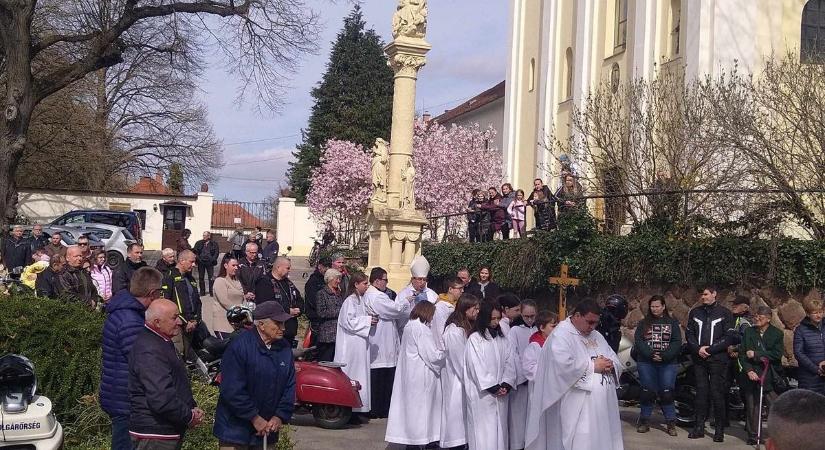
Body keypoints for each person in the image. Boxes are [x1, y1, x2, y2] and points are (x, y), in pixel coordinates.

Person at [525, 300, 623, 450]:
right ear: (577, 315)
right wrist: (593, 366)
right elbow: (561, 366)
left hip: (603, 405)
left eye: (596, 323)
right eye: (589, 322)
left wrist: (610, 364)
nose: (593, 327)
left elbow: (612, 356)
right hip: (577, 405)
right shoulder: (561, 335)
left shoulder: (596, 335)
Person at [213, 301, 296, 449]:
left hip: (267, 430)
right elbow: (232, 390)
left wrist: (279, 416)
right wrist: (254, 418)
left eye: (283, 323)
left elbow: (289, 386)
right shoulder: (239, 346)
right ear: (261, 325)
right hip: (235, 431)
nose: (283, 328)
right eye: (278, 323)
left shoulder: (284, 348)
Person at [100, 267, 164, 450]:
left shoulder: (126, 311)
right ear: (152, 293)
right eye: (160, 292)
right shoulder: (130, 321)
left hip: (119, 393)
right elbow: (143, 362)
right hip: (125, 399)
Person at [128, 299, 203, 448]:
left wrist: (191, 407)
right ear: (157, 322)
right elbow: (161, 398)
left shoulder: (160, 341)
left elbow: (176, 382)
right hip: (155, 434)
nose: (180, 322)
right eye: (174, 318)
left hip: (165, 430)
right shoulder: (149, 349)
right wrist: (189, 416)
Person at [385, 301, 445, 447]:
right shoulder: (421, 329)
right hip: (421, 376)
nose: (432, 318)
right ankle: (423, 441)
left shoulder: (410, 325)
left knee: (412, 411)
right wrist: (445, 355)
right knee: (423, 411)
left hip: (410, 375)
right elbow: (431, 355)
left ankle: (412, 440)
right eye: (432, 314)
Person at [463, 301, 517, 450]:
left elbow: (510, 361)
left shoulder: (502, 338)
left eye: (498, 318)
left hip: (501, 394)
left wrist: (506, 384)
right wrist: (492, 387)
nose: (495, 322)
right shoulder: (475, 339)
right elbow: (476, 366)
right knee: (485, 434)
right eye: (492, 318)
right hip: (484, 396)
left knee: (500, 433)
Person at [686, 285, 733, 441]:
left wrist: (711, 349)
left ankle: (719, 430)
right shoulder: (695, 312)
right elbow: (689, 334)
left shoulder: (725, 313)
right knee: (701, 393)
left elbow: (729, 337)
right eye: (701, 294)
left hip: (718, 359)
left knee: (717, 393)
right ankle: (698, 427)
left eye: (706, 294)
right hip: (699, 359)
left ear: (714, 294)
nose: (703, 297)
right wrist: (698, 348)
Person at [633, 295, 682, 436]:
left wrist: (664, 355)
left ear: (663, 306)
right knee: (647, 391)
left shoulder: (672, 323)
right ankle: (644, 420)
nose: (654, 309)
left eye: (657, 306)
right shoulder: (643, 323)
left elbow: (676, 341)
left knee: (666, 392)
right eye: (652, 306)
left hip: (668, 363)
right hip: (646, 362)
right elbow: (639, 340)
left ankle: (671, 423)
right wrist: (650, 354)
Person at [364, 267, 410, 419]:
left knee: (383, 375)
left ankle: (381, 408)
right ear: (377, 281)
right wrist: (406, 301)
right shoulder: (376, 296)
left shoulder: (374, 294)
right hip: (381, 340)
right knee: (381, 377)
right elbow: (394, 310)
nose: (387, 283)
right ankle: (379, 409)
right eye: (385, 279)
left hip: (384, 338)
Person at [439, 294, 480, 449]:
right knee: (456, 415)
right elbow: (460, 362)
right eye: (474, 308)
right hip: (458, 380)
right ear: (465, 309)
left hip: (464, 380)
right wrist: (473, 382)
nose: (477, 311)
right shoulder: (454, 331)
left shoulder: (465, 327)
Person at [738, 305, 783, 445]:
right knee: (753, 406)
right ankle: (753, 435)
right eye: (755, 316)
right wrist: (749, 370)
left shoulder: (777, 333)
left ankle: (778, 434)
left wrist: (757, 354)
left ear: (768, 319)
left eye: (760, 317)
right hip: (752, 374)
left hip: (769, 374)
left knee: (775, 406)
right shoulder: (749, 332)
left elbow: (776, 354)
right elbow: (742, 353)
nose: (756, 318)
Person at [334, 273, 375, 419]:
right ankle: (348, 410)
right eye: (364, 283)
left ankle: (359, 408)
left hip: (360, 346)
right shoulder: (349, 301)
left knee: (361, 374)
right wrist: (367, 321)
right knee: (351, 374)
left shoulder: (361, 300)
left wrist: (370, 318)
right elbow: (348, 321)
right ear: (356, 284)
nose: (367, 285)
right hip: (350, 346)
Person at [161, 250, 206, 359]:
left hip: (192, 324)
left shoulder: (191, 278)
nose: (194, 265)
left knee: (189, 354)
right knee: (178, 353)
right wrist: (184, 321)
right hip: (177, 324)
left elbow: (197, 302)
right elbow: (166, 302)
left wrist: (196, 320)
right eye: (192, 262)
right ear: (182, 261)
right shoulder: (169, 276)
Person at [507, 299, 538, 450]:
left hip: (535, 380)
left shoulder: (539, 330)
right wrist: (522, 376)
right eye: (527, 316)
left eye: (533, 316)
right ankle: (517, 445)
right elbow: (513, 355)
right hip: (520, 380)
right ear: (521, 314)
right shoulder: (515, 331)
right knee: (518, 417)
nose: (530, 319)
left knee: (533, 415)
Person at [253, 256, 302, 347]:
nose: (289, 270)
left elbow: (299, 299)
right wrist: (287, 310)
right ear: (278, 267)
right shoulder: (265, 282)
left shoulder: (288, 283)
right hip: (273, 331)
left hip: (290, 329)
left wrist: (298, 309)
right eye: (288, 268)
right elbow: (267, 305)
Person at [212, 256, 253, 335]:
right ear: (225, 265)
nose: (236, 268)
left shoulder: (237, 280)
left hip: (238, 323)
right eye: (233, 265)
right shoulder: (220, 281)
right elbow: (224, 301)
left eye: (237, 265)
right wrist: (242, 313)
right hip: (223, 324)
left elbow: (242, 297)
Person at [793, 299, 825, 395]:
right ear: (808, 314)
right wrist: (816, 369)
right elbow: (798, 353)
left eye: (821, 312)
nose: (819, 315)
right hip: (809, 378)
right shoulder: (801, 330)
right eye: (815, 313)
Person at [315, 268, 344, 362]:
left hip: (338, 333)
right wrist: (339, 311)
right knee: (326, 360)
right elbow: (321, 313)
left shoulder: (339, 293)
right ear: (330, 279)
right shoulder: (321, 294)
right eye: (337, 279)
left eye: (339, 279)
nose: (338, 281)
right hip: (327, 335)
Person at [522, 311, 558, 384]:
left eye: (557, 326)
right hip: (540, 386)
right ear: (542, 328)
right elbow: (529, 369)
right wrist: (550, 370)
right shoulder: (534, 346)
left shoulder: (557, 343)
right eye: (553, 326)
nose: (556, 329)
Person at [304, 256, 331, 346]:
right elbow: (313, 301)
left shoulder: (327, 280)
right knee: (315, 346)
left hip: (326, 319)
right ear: (320, 266)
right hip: (316, 318)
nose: (327, 269)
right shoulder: (313, 281)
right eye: (325, 266)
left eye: (329, 266)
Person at [432, 277, 465, 349]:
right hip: (445, 349)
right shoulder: (440, 307)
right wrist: (444, 350)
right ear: (450, 289)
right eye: (460, 288)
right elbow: (438, 331)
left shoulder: (457, 304)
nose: (462, 291)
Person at [192, 231, 219, 297]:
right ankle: (202, 292)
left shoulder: (214, 243)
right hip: (201, 262)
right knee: (201, 277)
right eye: (203, 235)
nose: (204, 236)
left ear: (209, 236)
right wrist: (199, 259)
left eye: (205, 235)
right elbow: (195, 252)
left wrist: (213, 259)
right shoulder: (199, 243)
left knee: (211, 277)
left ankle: (211, 292)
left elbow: (216, 252)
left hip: (210, 262)